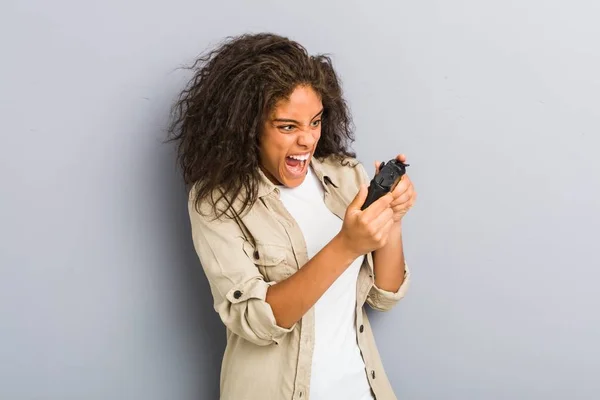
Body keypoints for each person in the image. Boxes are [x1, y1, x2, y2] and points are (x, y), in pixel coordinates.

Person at [168, 32, 417, 400]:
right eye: (288, 126)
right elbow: (256, 323)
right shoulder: (216, 203)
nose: (307, 140)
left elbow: (386, 295)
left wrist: (391, 218)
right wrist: (348, 245)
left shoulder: (345, 175)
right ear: (247, 127)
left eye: (315, 122)